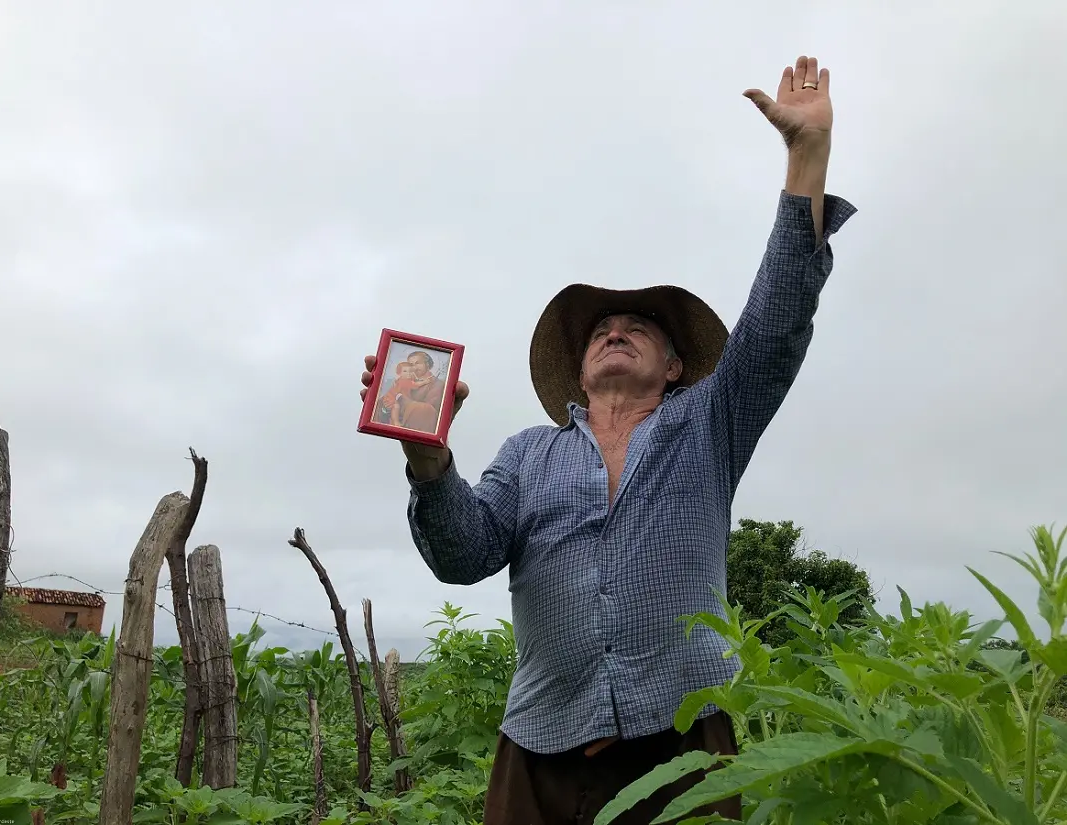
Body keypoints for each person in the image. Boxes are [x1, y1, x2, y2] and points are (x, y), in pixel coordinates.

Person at [359, 56, 856, 824]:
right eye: (601, 328)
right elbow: (464, 554)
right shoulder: (527, 454)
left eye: (639, 325)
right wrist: (428, 460)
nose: (616, 329)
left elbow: (776, 323)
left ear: (676, 366)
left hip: (685, 747)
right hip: (541, 750)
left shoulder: (710, 424)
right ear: (581, 369)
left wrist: (806, 160)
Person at [377, 350, 445, 433]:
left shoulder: (437, 384)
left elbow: (429, 411)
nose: (414, 367)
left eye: (418, 363)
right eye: (411, 364)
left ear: (427, 364)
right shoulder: (405, 380)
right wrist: (385, 409)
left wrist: (403, 400)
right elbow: (388, 399)